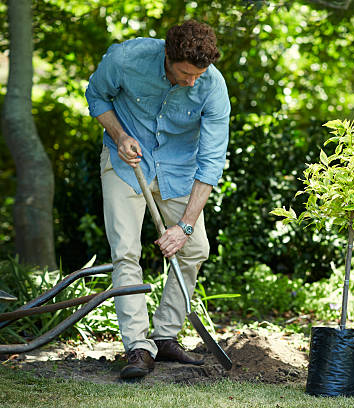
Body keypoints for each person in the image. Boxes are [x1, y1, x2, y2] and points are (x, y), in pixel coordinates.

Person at [85, 20, 230, 379]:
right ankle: (137, 346)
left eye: (199, 74)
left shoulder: (213, 86)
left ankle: (165, 337)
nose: (192, 81)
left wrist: (184, 226)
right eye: (185, 73)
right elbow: (96, 95)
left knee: (195, 248)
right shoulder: (125, 58)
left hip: (179, 171)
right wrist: (118, 135)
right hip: (126, 164)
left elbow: (211, 163)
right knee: (125, 251)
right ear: (168, 56)